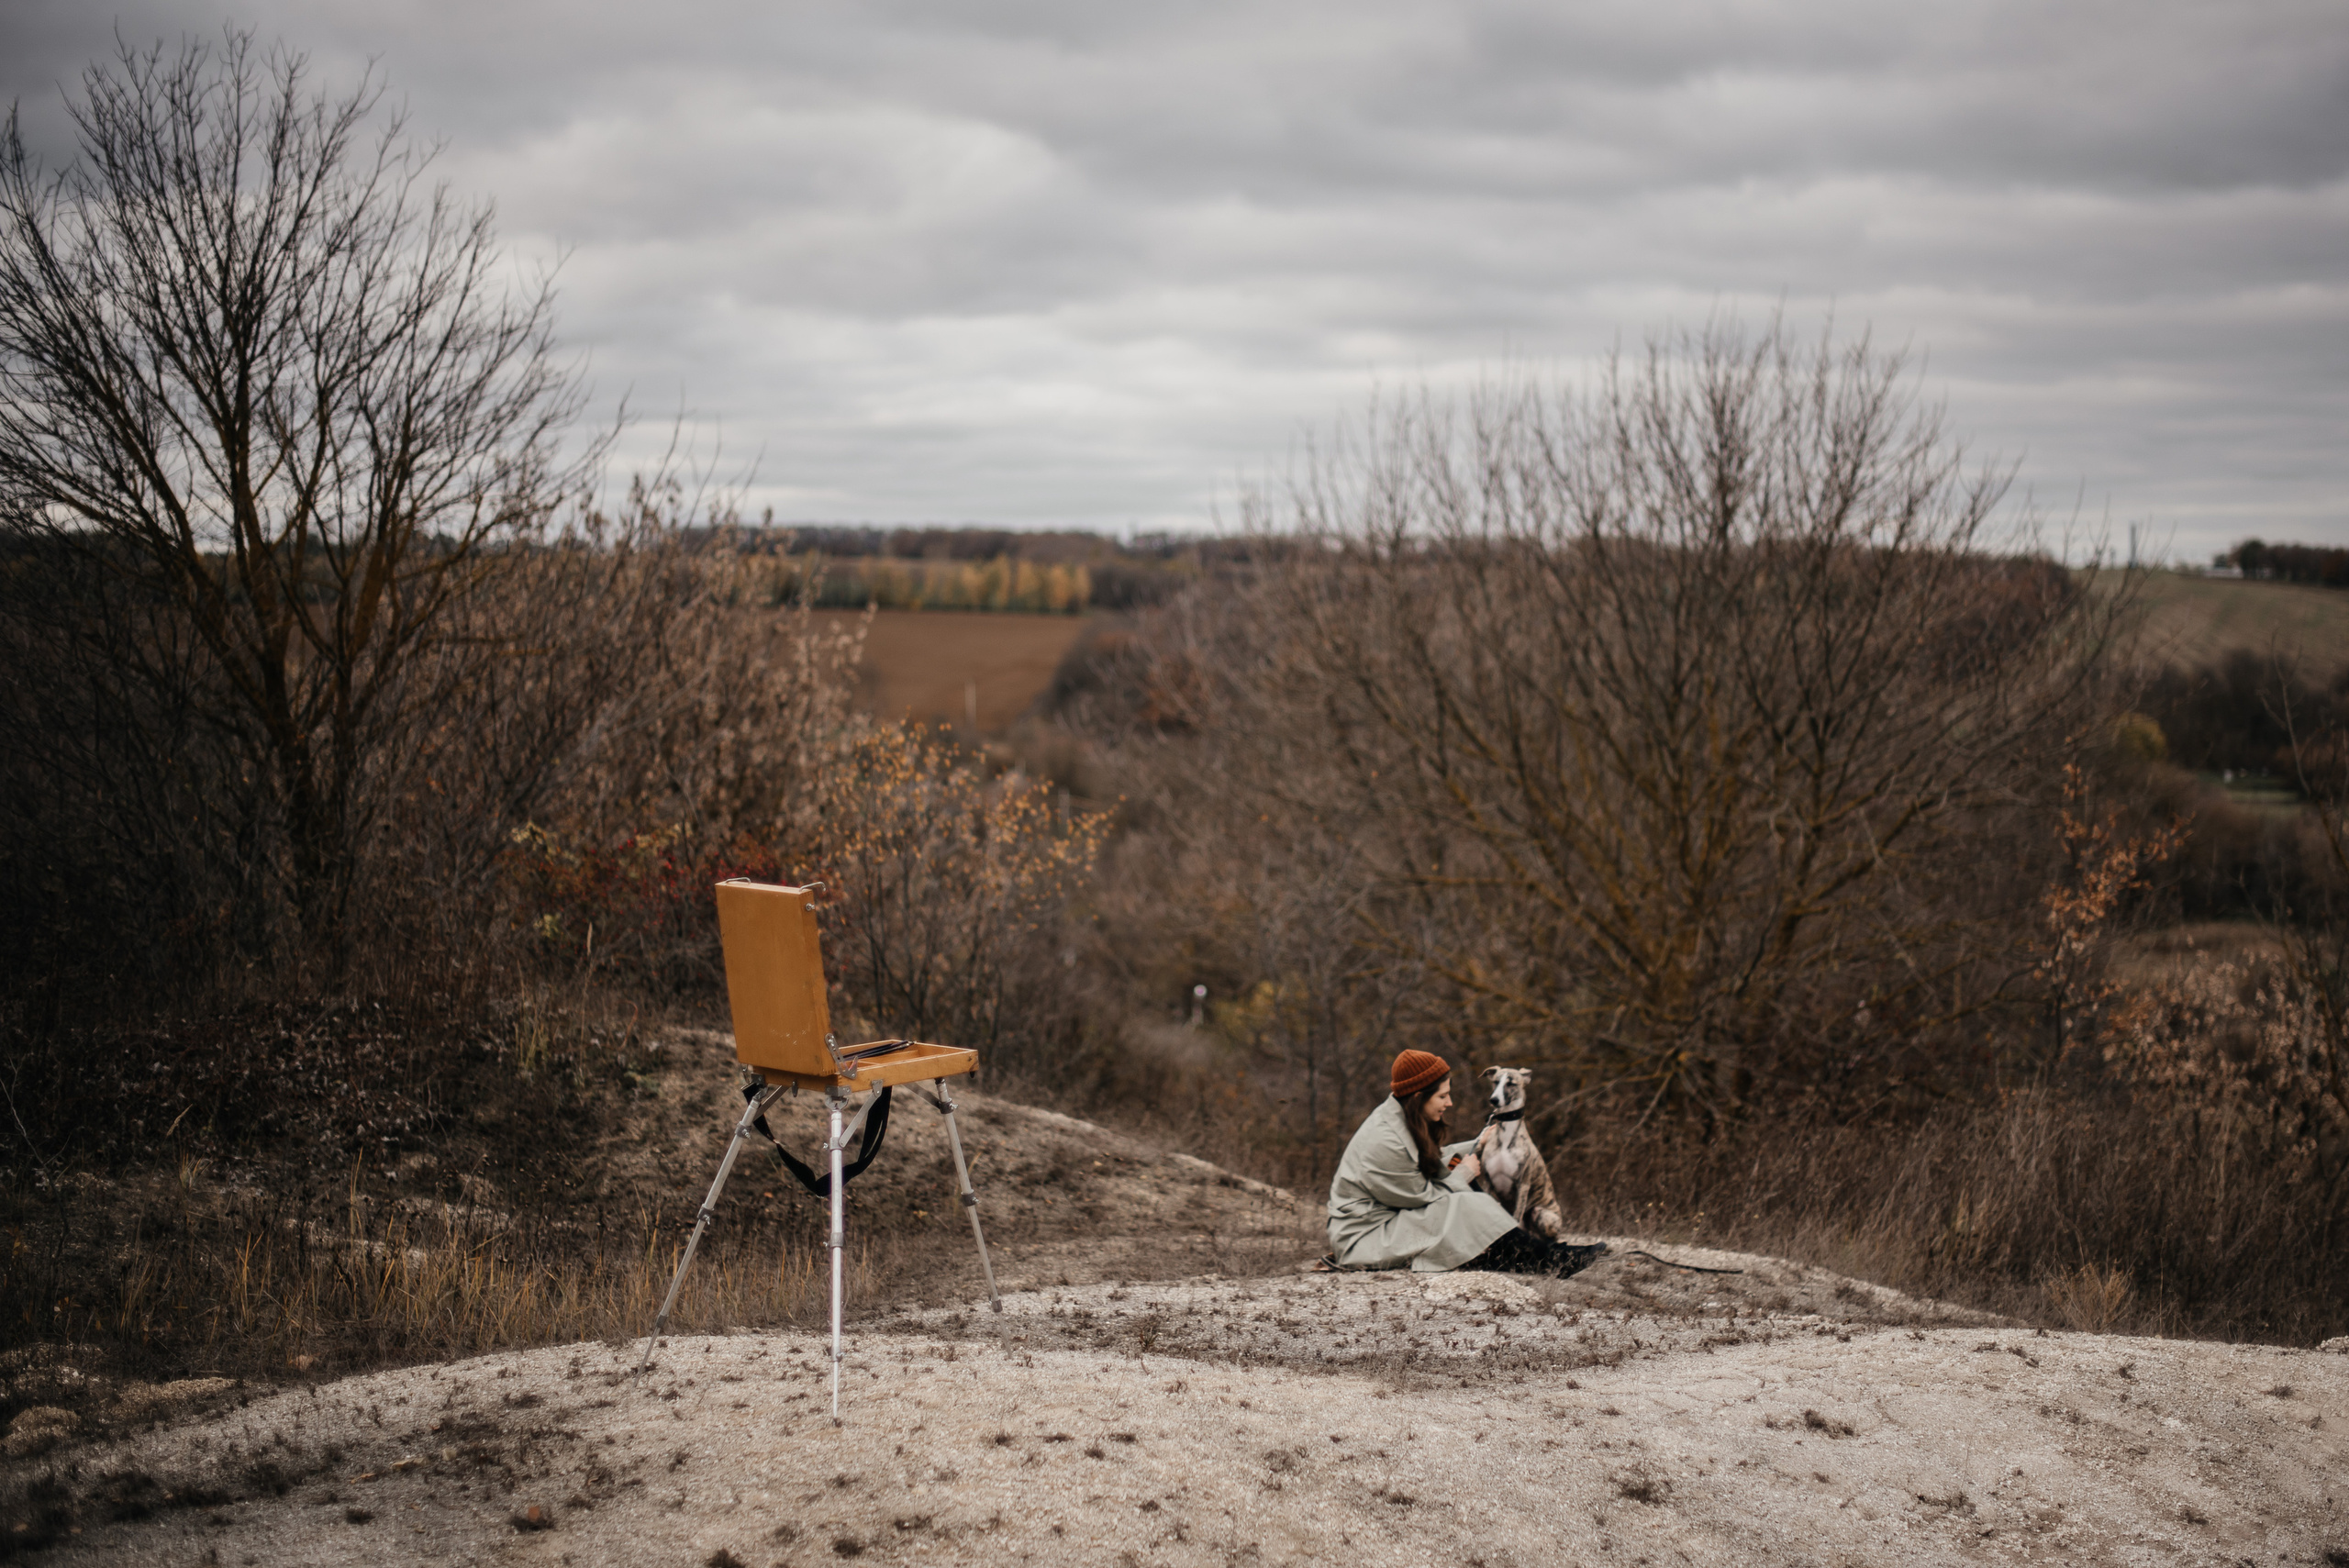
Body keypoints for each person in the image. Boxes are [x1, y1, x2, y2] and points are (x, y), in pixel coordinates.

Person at [1326, 1050, 1607, 1276]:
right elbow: (1420, 1198)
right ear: (1417, 1096)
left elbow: (1431, 1160)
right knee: (1463, 1203)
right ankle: (1550, 1259)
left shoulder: (1399, 1117)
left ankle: (1528, 1255)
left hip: (1388, 1221)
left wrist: (1479, 1142)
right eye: (1442, 1096)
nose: (1449, 1103)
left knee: (1466, 1198)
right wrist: (1462, 1173)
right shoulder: (1385, 1141)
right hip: (1365, 1238)